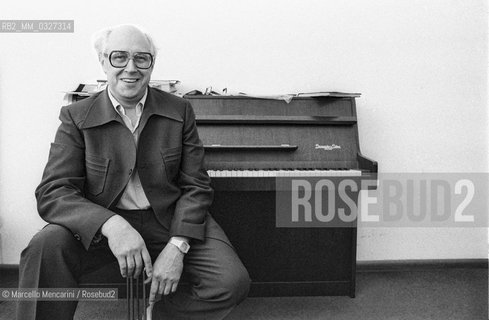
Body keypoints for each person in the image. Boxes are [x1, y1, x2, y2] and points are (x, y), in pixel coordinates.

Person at [17, 24, 250, 320]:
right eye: (119, 57)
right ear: (102, 61)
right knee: (45, 246)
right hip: (101, 228)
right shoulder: (77, 116)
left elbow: (196, 185)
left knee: (232, 282)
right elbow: (53, 192)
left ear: (152, 65)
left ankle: (158, 313)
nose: (131, 68)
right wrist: (112, 225)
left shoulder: (180, 110)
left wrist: (178, 245)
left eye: (142, 58)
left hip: (168, 220)